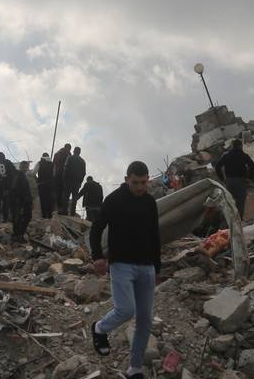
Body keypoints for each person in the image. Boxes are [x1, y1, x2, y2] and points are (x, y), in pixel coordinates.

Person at [89, 161, 160, 379]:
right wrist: (97, 257)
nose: (140, 187)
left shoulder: (150, 202)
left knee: (145, 319)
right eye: (136, 182)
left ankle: (135, 368)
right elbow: (96, 227)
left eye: (144, 182)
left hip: (146, 267)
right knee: (126, 310)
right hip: (121, 264)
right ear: (127, 179)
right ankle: (100, 328)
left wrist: (157, 267)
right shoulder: (114, 200)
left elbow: (154, 234)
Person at [214, 139, 254, 217]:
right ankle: (239, 221)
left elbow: (217, 167)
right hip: (241, 181)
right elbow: (252, 166)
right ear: (240, 146)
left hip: (229, 182)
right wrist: (249, 178)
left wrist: (223, 179)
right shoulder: (244, 155)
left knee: (230, 202)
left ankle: (230, 221)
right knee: (240, 203)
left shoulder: (226, 155)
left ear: (232, 146)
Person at [10, 161, 33, 242]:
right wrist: (21, 199)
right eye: (25, 167)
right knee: (19, 218)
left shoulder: (22, 176)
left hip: (23, 201)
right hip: (19, 201)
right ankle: (18, 235)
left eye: (27, 167)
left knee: (24, 218)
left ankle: (19, 234)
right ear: (21, 167)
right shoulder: (18, 175)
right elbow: (15, 189)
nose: (26, 169)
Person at [64, 147, 87, 215]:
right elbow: (84, 173)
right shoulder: (82, 161)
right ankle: (72, 212)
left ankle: (64, 211)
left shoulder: (70, 157)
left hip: (69, 180)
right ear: (79, 152)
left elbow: (66, 167)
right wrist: (80, 182)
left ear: (74, 151)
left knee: (66, 196)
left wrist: (64, 178)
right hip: (77, 182)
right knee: (74, 198)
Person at [53, 144, 72, 214]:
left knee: (58, 192)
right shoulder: (69, 154)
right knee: (64, 192)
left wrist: (53, 175)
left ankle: (59, 208)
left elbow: (54, 164)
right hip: (64, 176)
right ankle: (63, 209)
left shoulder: (57, 153)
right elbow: (69, 166)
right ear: (69, 148)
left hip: (57, 175)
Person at [35, 153, 55, 219]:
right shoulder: (52, 164)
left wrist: (37, 179)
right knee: (49, 200)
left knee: (43, 200)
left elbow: (33, 173)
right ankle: (50, 216)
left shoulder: (39, 163)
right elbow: (54, 174)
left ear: (42, 156)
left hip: (41, 184)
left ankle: (44, 216)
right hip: (50, 185)